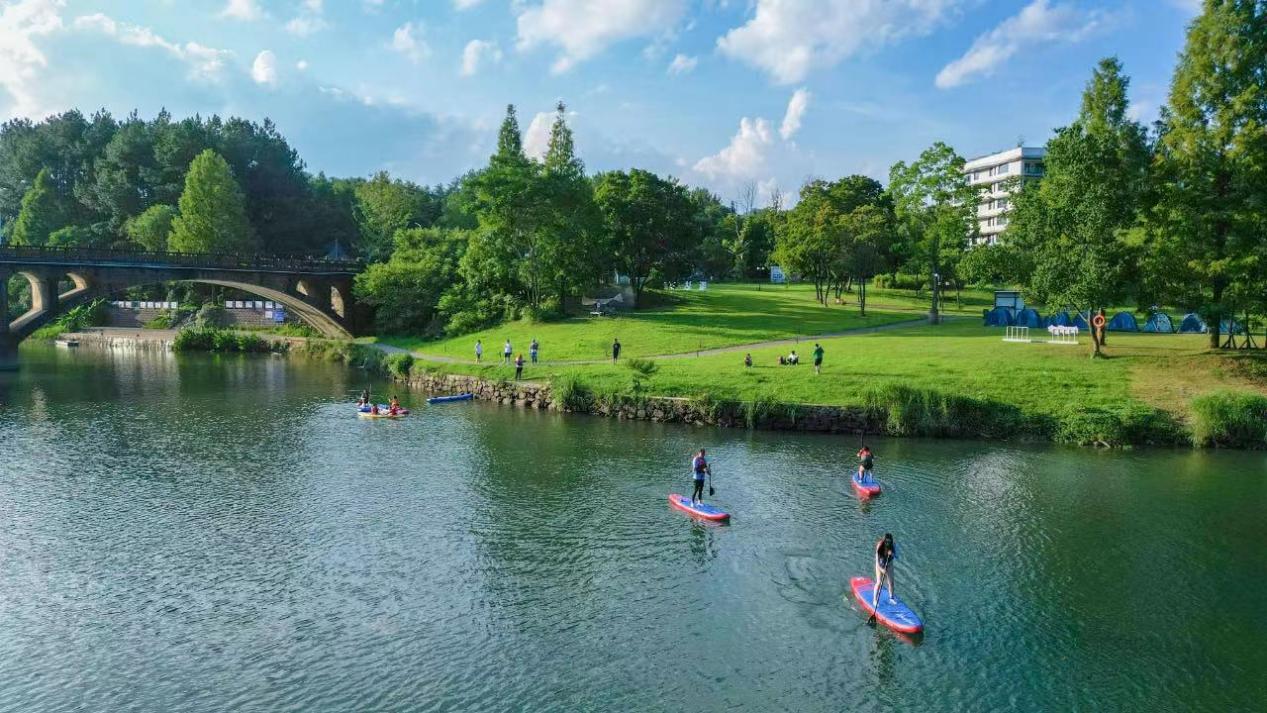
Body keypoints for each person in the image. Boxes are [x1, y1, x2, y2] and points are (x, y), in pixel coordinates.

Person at [873, 533, 897, 607]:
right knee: (879, 582)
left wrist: (892, 554)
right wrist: (881, 569)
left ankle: (891, 598)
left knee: (891, 582)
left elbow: (897, 556)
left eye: (889, 542)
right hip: (879, 565)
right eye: (886, 541)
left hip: (889, 565)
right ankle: (875, 600)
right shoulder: (880, 545)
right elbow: (877, 560)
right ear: (884, 540)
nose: (887, 543)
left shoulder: (893, 545)